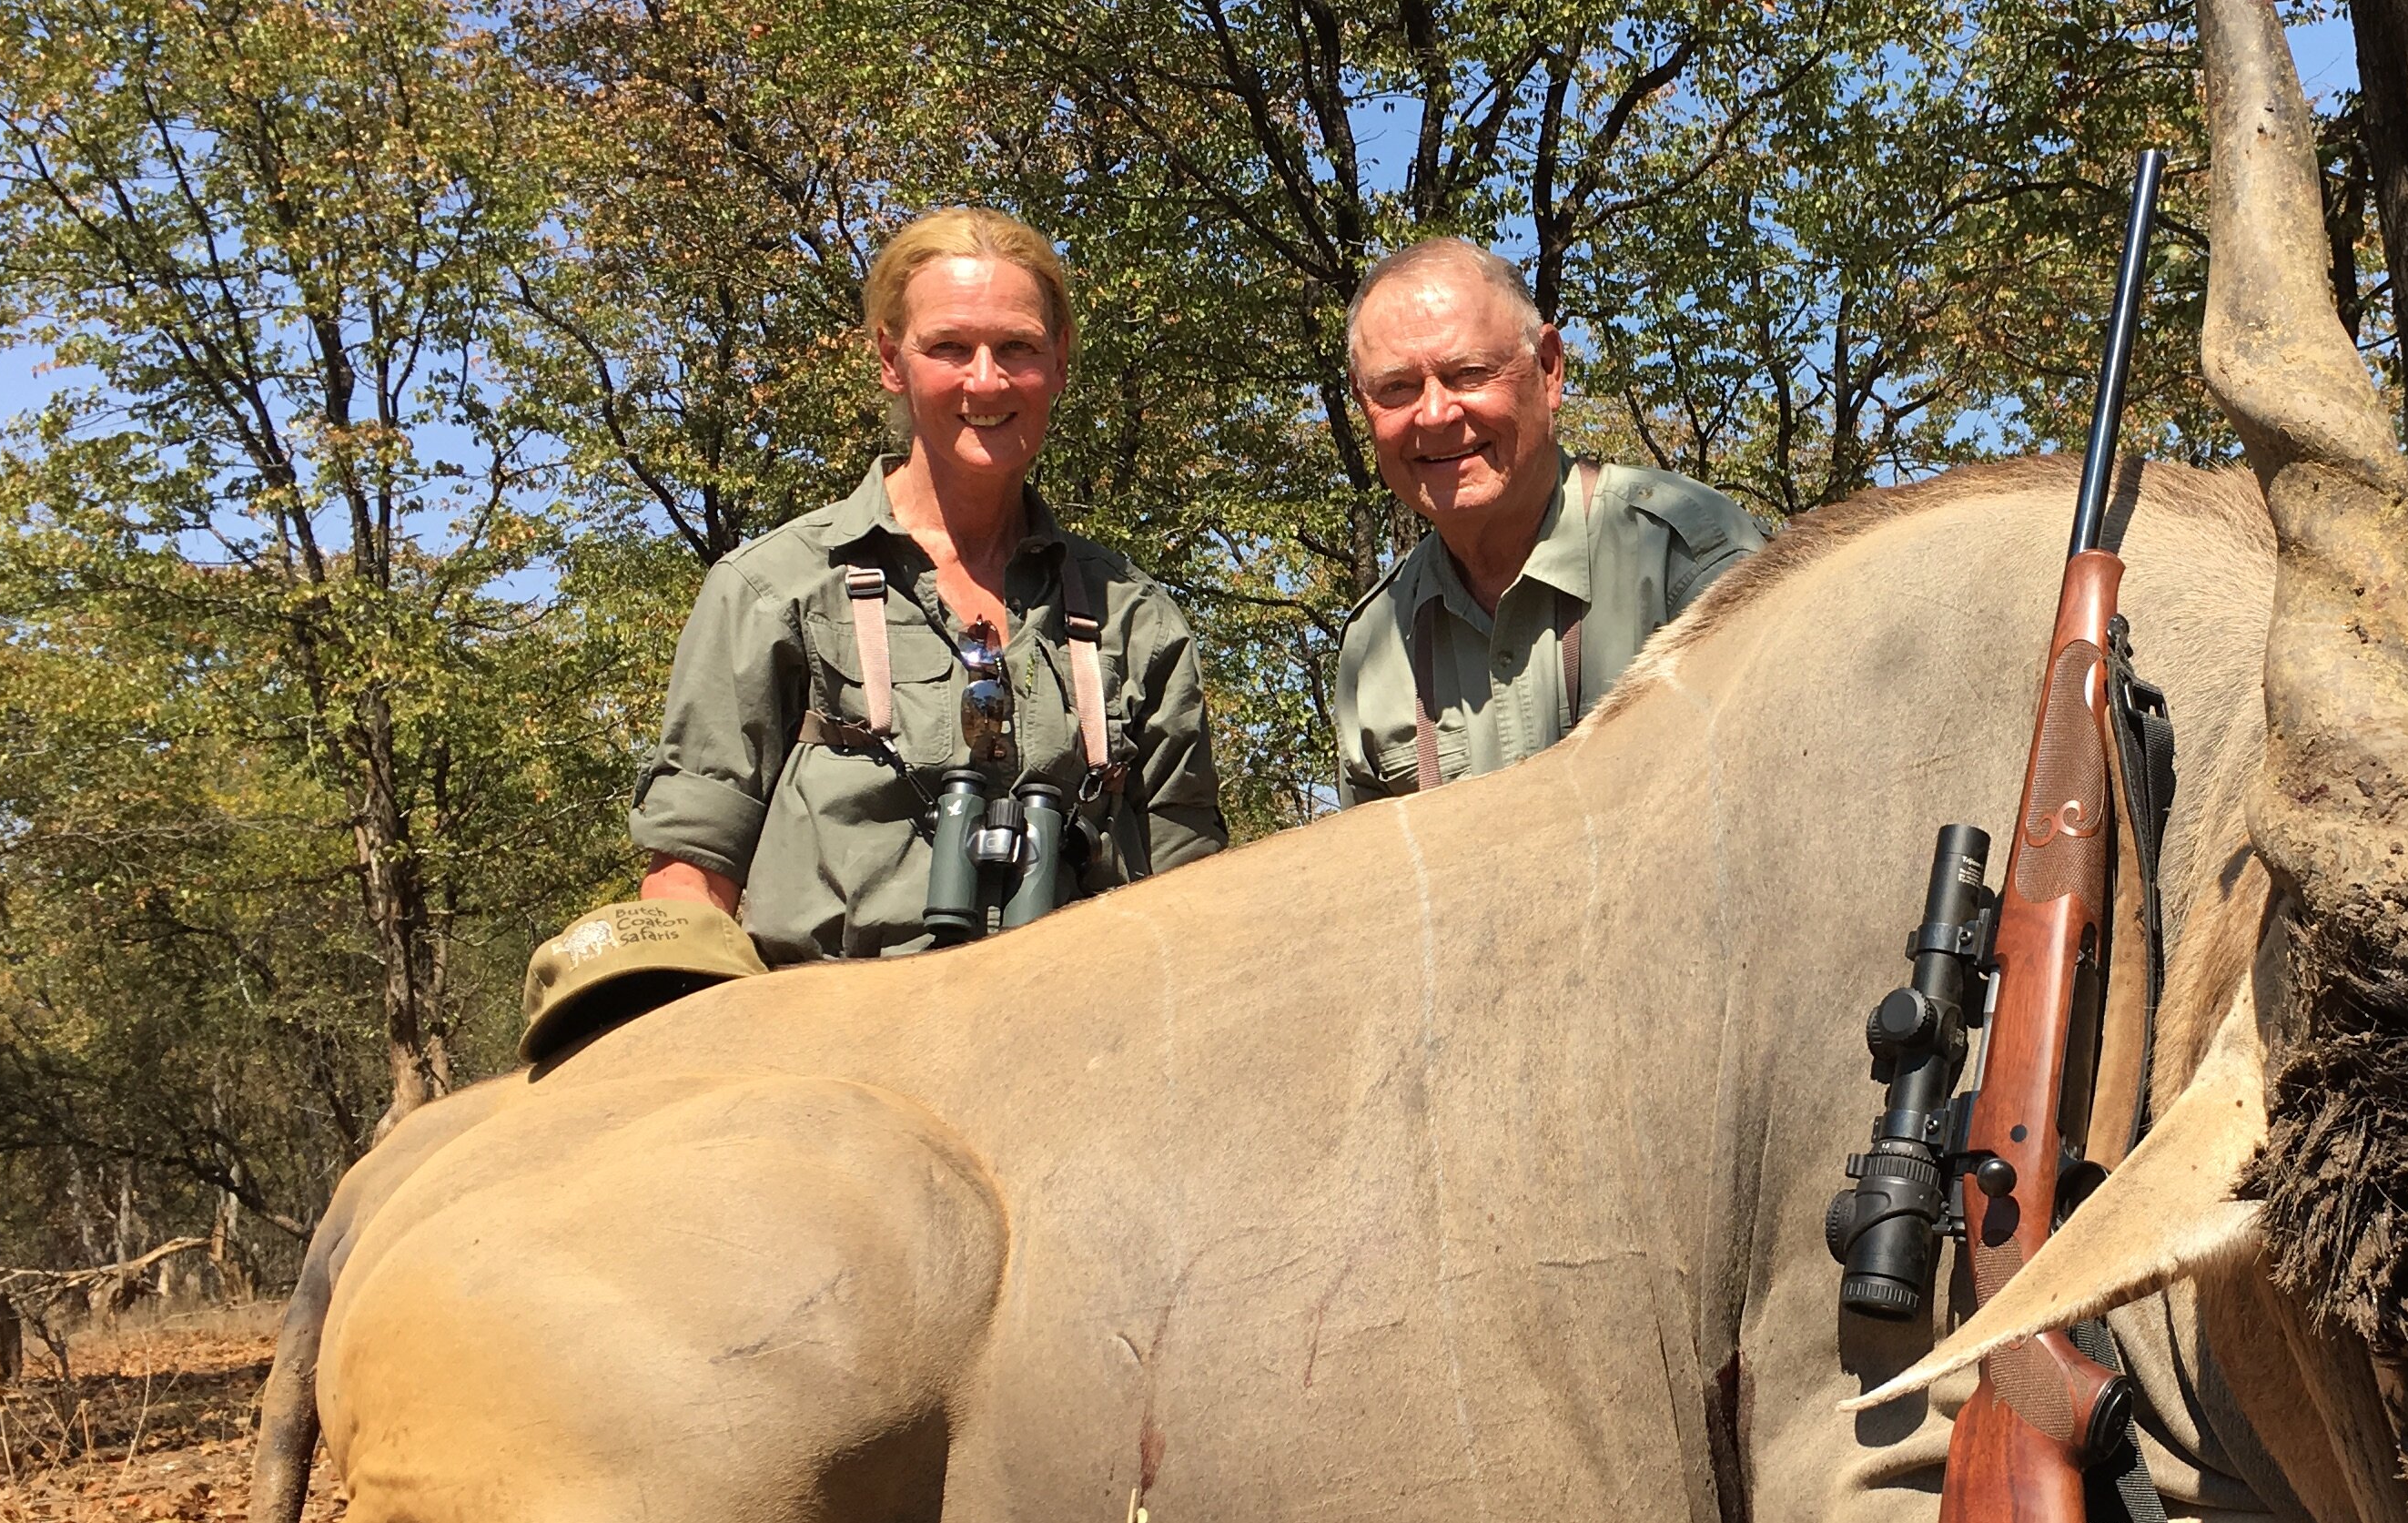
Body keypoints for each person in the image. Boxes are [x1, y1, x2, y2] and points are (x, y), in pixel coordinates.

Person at [630, 207, 1227, 963]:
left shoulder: (1133, 619)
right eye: (949, 347)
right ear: (891, 359)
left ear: (1061, 362)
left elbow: (1193, 879)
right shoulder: (770, 590)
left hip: (1076, 1038)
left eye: (1018, 347)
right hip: (829, 1038)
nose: (987, 379)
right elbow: (689, 876)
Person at [1330, 237, 1765, 804]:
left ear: (1549, 369)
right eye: (1396, 389)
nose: (1434, 415)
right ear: (1364, 406)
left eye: (1468, 373)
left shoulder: (1690, 557)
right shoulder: (1372, 644)